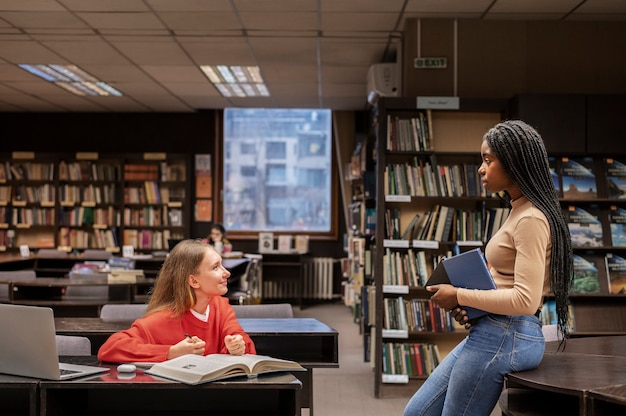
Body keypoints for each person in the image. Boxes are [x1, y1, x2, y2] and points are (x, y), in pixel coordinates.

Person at [404, 120, 573, 416]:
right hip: (492, 329)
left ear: (513, 162)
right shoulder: (518, 209)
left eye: (487, 160)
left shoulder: (531, 219)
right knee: (416, 412)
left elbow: (525, 300)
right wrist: (472, 307)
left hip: (508, 333)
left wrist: (459, 294)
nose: (480, 168)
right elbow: (505, 283)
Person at [98, 239, 255, 363]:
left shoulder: (221, 306)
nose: (227, 273)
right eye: (216, 267)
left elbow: (245, 343)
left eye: (222, 265)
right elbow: (110, 348)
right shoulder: (161, 319)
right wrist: (171, 352)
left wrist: (237, 347)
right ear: (194, 281)